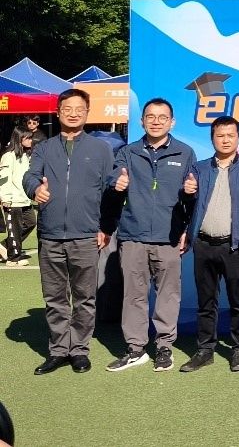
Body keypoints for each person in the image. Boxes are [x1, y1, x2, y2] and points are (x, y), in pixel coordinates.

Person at [22, 89, 114, 375]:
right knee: (55, 298)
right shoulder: (44, 148)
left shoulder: (101, 149)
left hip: (86, 235)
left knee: (85, 297)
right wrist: (35, 189)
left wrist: (105, 227)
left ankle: (79, 350)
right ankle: (59, 350)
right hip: (50, 235)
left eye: (79, 109)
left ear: (87, 113)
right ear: (58, 112)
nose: (73, 113)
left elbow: (110, 191)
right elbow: (30, 175)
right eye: (67, 108)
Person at [106, 98, 198, 372]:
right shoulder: (128, 152)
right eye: (150, 117)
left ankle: (164, 347)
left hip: (168, 237)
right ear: (141, 121)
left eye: (162, 117)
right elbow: (113, 179)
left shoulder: (185, 153)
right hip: (133, 235)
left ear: (172, 122)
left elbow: (192, 197)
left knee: (168, 295)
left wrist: (189, 200)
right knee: (133, 295)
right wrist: (116, 183)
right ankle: (136, 348)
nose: (156, 122)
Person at [179, 116, 239, 373]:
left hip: (236, 246)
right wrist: (187, 192)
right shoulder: (199, 168)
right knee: (206, 301)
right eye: (220, 135)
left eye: (230, 135)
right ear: (212, 138)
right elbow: (187, 204)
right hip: (204, 243)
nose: (225, 140)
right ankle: (205, 350)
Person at [1, 127, 38, 266]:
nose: (30, 140)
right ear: (19, 138)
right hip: (12, 200)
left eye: (31, 138)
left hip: (24, 199)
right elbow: (4, 178)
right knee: (15, 229)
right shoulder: (8, 156)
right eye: (27, 138)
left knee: (31, 222)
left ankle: (4, 246)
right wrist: (6, 197)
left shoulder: (26, 156)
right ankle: (13, 257)